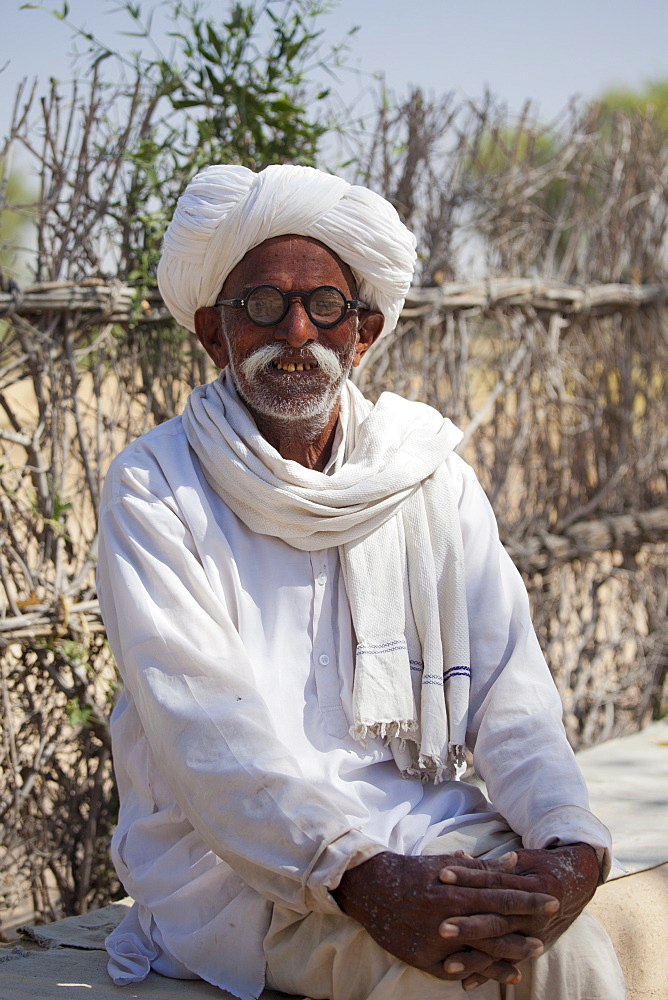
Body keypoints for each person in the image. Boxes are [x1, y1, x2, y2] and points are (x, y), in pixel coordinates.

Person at [97, 164, 625, 1000]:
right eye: (262, 306)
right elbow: (207, 737)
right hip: (239, 871)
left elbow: (511, 697)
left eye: (327, 306)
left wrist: (569, 845)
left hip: (423, 830)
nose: (297, 331)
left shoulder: (425, 477)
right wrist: (363, 881)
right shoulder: (155, 487)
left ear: (364, 331)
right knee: (445, 979)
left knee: (577, 954)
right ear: (212, 332)